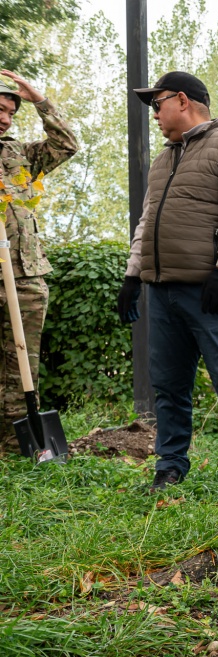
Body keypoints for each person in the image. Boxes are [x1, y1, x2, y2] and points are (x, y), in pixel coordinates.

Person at [116, 71, 218, 499]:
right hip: (162, 291)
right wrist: (134, 275)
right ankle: (170, 467)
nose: (155, 114)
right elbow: (147, 220)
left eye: (158, 104)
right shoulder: (164, 159)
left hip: (211, 290)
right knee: (168, 385)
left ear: (183, 100)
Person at [0, 70, 78, 453]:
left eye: (11, 113)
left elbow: (66, 145)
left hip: (26, 275)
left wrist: (40, 102)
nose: (6, 118)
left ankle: (15, 445)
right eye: (0, 109)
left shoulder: (21, 155)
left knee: (22, 367)